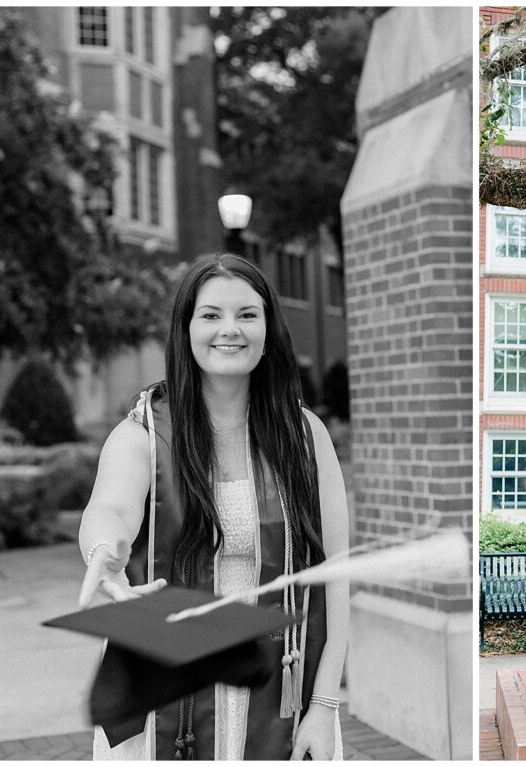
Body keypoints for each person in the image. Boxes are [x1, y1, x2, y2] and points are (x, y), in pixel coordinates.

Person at [78, 253, 348, 759]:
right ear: (186, 329)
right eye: (211, 315)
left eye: (247, 314)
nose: (231, 329)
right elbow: (109, 510)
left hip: (279, 696)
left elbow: (336, 578)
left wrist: (325, 704)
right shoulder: (143, 434)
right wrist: (104, 550)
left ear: (269, 327)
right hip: (167, 696)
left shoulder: (304, 436)